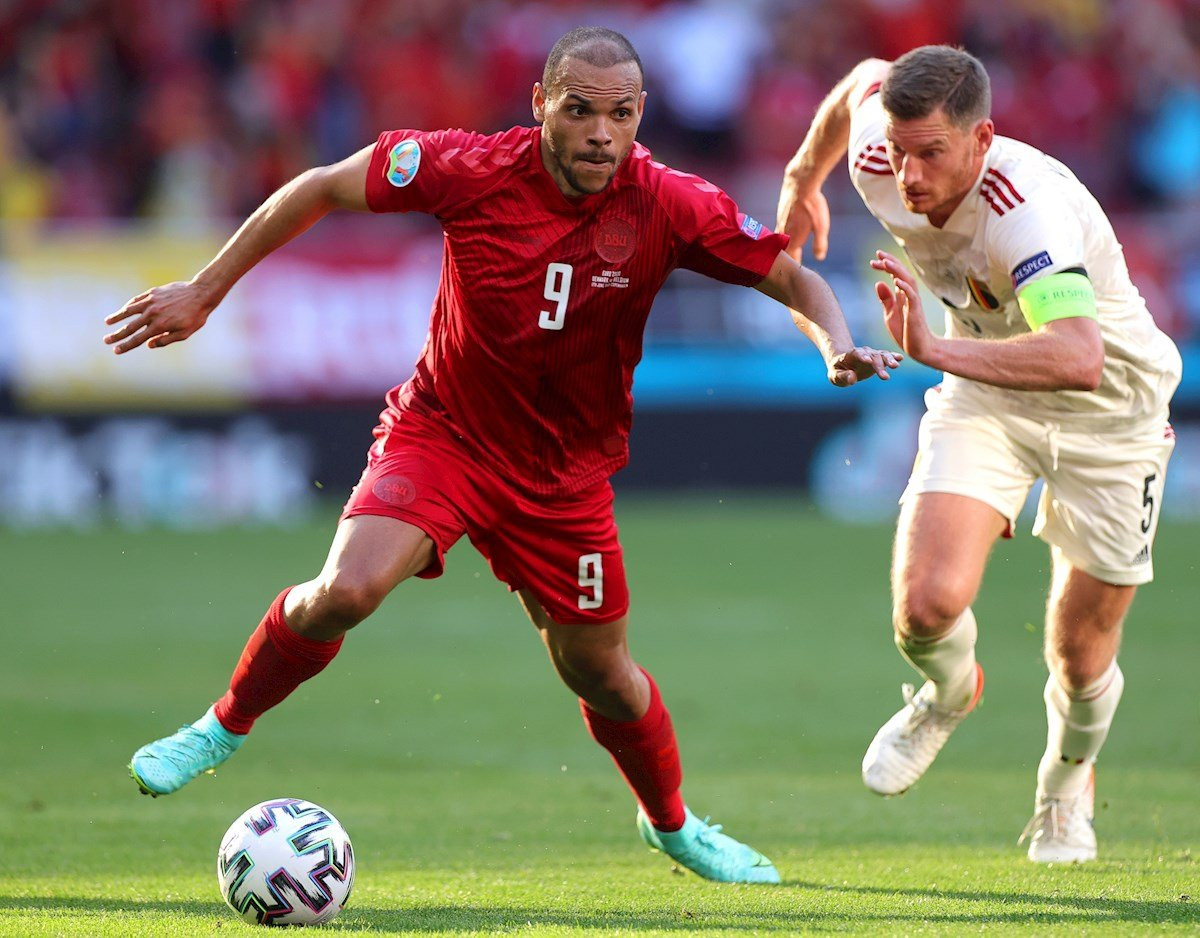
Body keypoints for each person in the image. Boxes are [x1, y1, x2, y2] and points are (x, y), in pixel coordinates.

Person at [109, 27, 898, 884]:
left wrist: (836, 343)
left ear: (641, 113)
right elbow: (322, 185)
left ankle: (671, 826)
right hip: (446, 436)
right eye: (580, 110)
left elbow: (793, 277)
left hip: (565, 479)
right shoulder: (468, 168)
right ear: (540, 104)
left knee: (603, 674)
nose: (601, 133)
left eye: (621, 115)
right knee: (348, 589)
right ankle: (220, 726)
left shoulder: (669, 202)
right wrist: (205, 290)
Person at [777, 45, 1180, 863]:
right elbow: (861, 81)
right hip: (990, 391)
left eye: (931, 153)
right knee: (924, 609)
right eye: (900, 151)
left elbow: (1079, 356)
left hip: (1112, 416)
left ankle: (1065, 788)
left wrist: (932, 349)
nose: (909, 175)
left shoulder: (1026, 210)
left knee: (1079, 655)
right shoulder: (878, 152)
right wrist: (801, 180)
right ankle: (949, 693)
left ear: (982, 139)